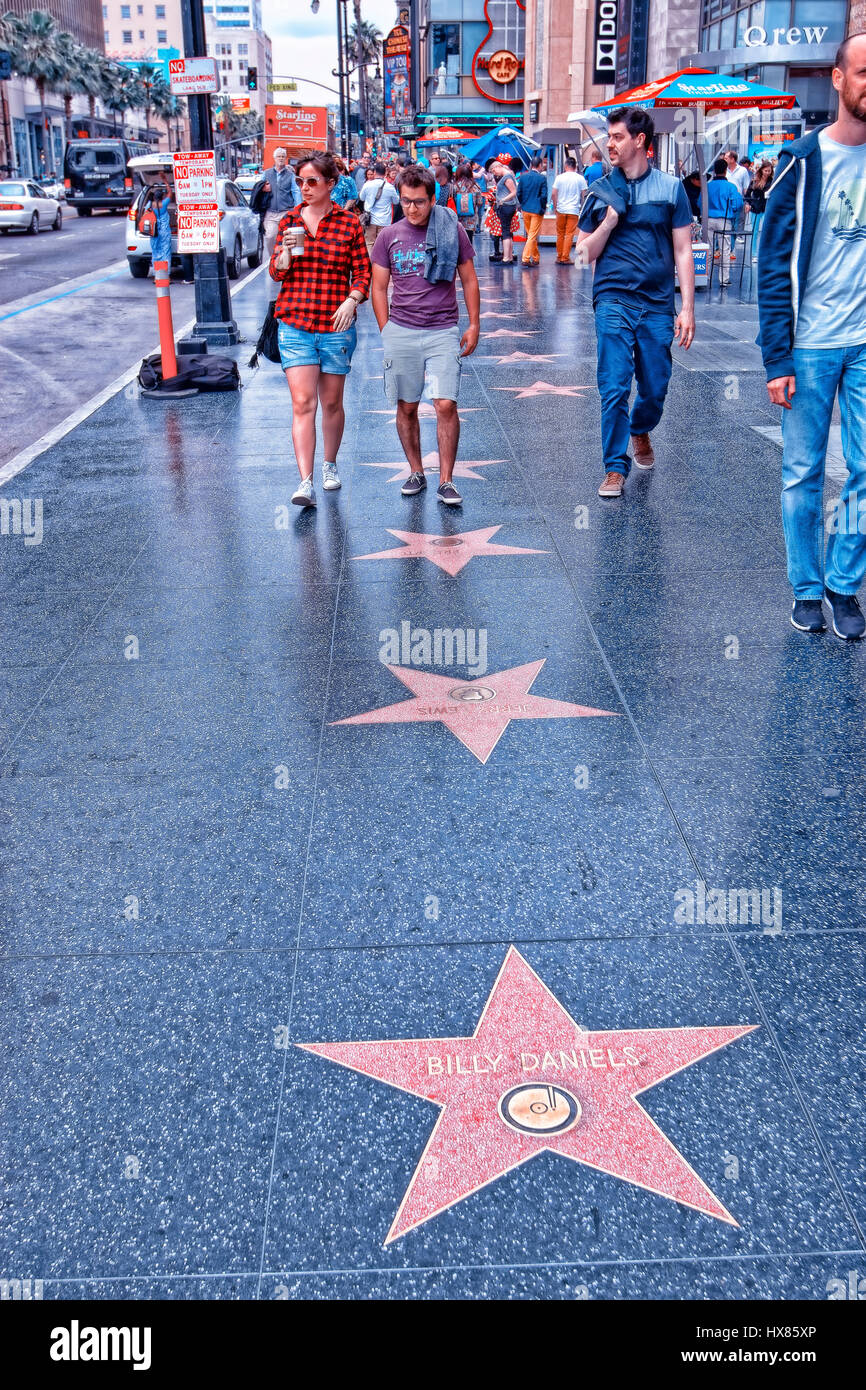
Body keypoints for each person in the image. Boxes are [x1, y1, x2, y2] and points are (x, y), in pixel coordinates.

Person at [758, 32, 866, 639]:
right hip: (811, 344)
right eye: (863, 71)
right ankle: (805, 586)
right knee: (801, 471)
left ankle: (842, 583)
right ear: (837, 78)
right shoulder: (801, 161)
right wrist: (777, 356)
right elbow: (772, 265)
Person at [576, 106, 695, 499]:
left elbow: (682, 250)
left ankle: (640, 426)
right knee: (613, 385)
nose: (610, 144)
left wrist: (689, 308)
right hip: (613, 299)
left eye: (617, 137)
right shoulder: (600, 190)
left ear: (640, 141)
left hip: (658, 304)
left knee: (656, 386)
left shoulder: (671, 189)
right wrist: (609, 221)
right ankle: (614, 466)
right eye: (609, 137)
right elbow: (582, 254)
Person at [370, 163, 480, 507]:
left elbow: (469, 278)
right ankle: (416, 470)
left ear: (433, 199)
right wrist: (385, 328)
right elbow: (378, 286)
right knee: (406, 405)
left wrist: (474, 324)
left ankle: (446, 479)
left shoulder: (452, 230)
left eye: (419, 202)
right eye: (406, 202)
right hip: (401, 329)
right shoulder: (389, 236)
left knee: (445, 403)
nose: (412, 209)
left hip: (442, 328)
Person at [269, 152, 371, 509]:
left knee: (331, 402)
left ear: (331, 184)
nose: (304, 188)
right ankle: (305, 480)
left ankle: (329, 464)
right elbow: (276, 272)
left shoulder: (348, 224)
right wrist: (282, 260)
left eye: (312, 181)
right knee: (302, 403)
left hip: (335, 325)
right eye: (300, 182)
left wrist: (353, 299)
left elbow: (363, 272)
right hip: (295, 322)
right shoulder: (289, 222)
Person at [259, 147, 301, 300]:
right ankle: (274, 259)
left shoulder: (290, 175)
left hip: (286, 210)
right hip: (271, 212)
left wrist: (298, 210)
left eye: (283, 156)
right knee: (270, 236)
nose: (281, 159)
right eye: (279, 156)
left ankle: (286, 261)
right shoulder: (266, 174)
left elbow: (296, 192)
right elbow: (259, 190)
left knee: (287, 238)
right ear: (274, 158)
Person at [704, 156, 743, 286]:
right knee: (725, 250)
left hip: (708, 219)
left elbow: (700, 203)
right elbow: (737, 204)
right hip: (724, 220)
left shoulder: (707, 186)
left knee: (707, 249)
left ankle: (706, 278)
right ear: (726, 170)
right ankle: (724, 280)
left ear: (714, 171)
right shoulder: (731, 187)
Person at [552, 156, 587, 264]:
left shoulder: (559, 177)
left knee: (560, 233)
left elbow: (553, 194)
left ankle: (559, 255)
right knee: (569, 234)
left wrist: (555, 206)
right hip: (573, 210)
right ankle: (565, 257)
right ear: (575, 166)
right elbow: (584, 194)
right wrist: (583, 207)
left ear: (566, 166)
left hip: (561, 209)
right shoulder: (580, 178)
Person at [360, 161, 400, 250]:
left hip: (370, 220)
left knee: (369, 244)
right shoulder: (390, 187)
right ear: (385, 173)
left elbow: (362, 198)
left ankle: (371, 263)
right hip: (385, 221)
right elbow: (396, 201)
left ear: (374, 173)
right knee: (383, 245)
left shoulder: (367, 184)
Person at [518, 155, 548, 266]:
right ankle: (525, 258)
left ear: (531, 165)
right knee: (532, 235)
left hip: (525, 209)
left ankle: (535, 257)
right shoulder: (542, 178)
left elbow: (519, 193)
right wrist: (543, 207)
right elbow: (544, 195)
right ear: (539, 165)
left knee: (531, 234)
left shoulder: (523, 177)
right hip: (537, 210)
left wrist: (523, 203)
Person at [492, 158, 519, 265]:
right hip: (509, 206)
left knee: (506, 232)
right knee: (507, 232)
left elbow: (513, 192)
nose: (494, 173)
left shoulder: (507, 177)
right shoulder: (508, 176)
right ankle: (509, 257)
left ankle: (506, 258)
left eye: (494, 171)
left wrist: (503, 200)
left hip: (506, 206)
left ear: (498, 166)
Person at [745, 160, 772, 262]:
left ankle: (766, 253)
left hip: (767, 208)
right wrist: (748, 204)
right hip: (755, 208)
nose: (767, 173)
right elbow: (747, 195)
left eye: (769, 171)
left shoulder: (772, 181)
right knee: (755, 232)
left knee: (767, 231)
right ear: (761, 170)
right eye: (766, 171)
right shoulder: (754, 181)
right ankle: (754, 254)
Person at [452, 161, 482, 243]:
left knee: (459, 240)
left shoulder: (454, 186)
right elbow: (479, 202)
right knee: (469, 240)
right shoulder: (476, 186)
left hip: (457, 218)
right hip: (471, 218)